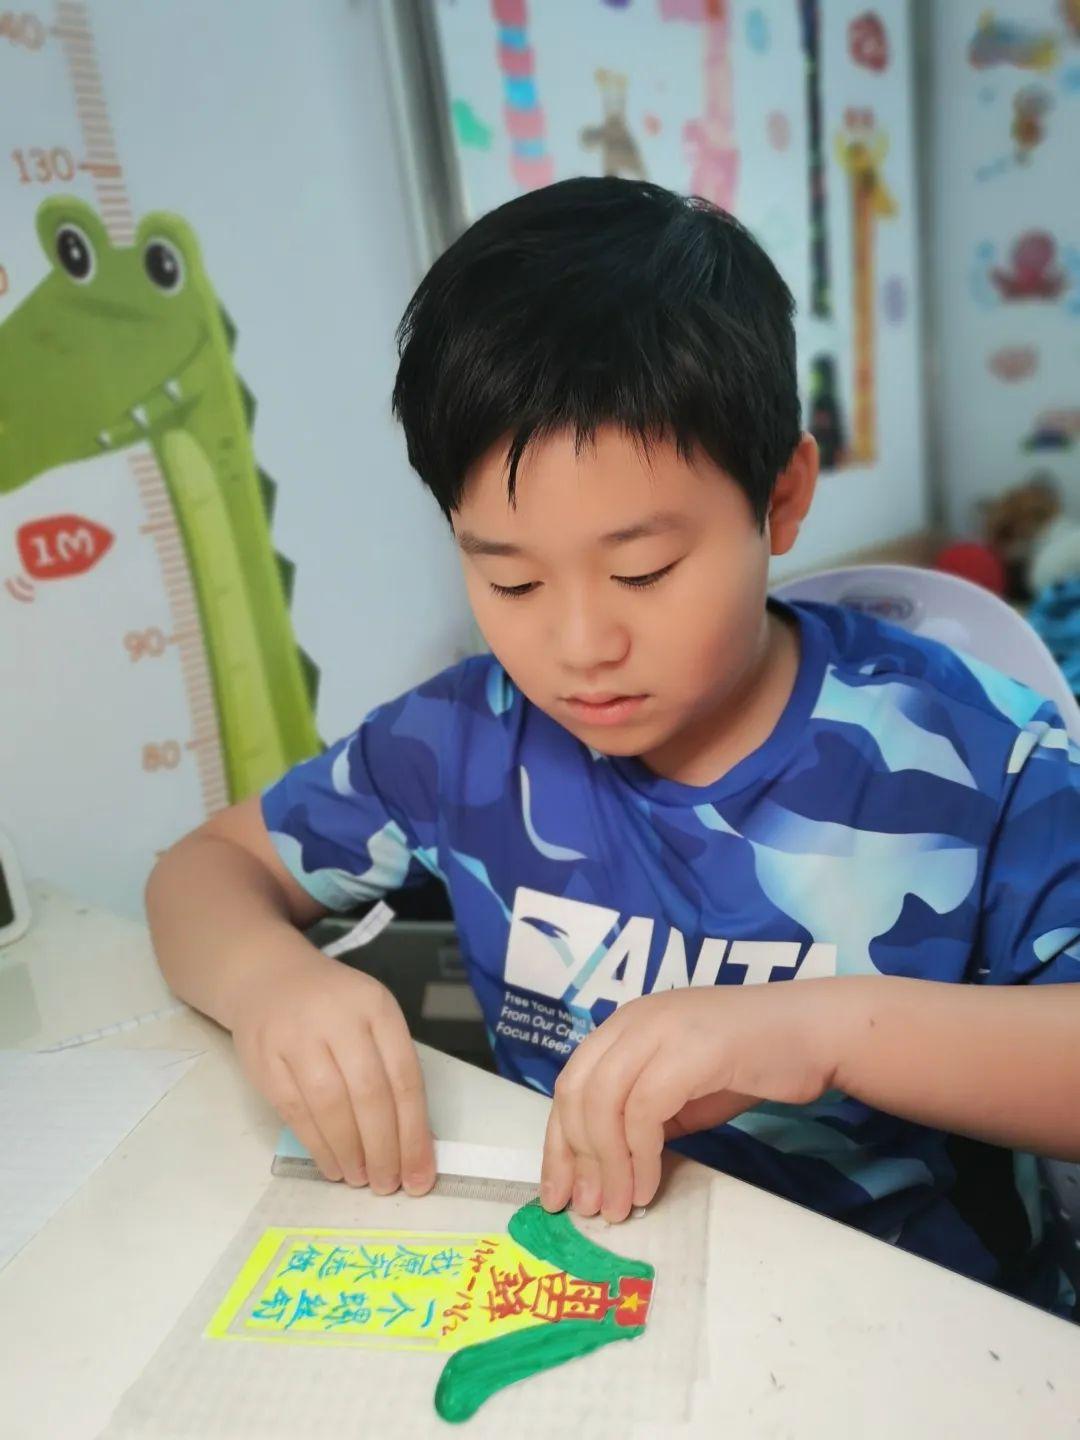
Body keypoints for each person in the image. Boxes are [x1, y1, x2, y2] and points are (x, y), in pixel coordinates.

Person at [147, 177, 1080, 1312]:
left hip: (914, 1319)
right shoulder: (462, 740)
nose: (580, 646)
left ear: (782, 497)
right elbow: (206, 870)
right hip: (600, 1282)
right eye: (511, 580)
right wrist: (268, 981)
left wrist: (824, 1032)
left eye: (644, 571)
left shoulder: (976, 756)